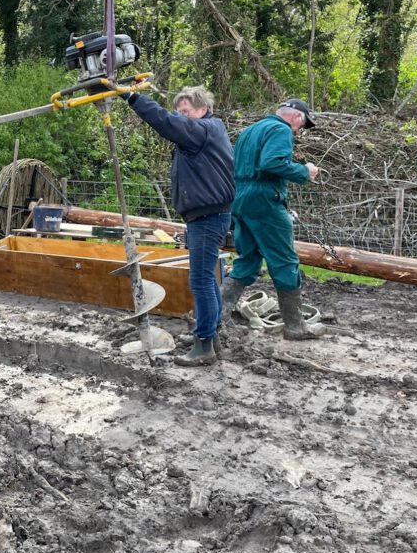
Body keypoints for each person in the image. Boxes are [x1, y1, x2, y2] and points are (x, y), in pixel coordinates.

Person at [121, 86, 234, 365]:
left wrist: (132, 96)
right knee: (206, 279)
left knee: (201, 280)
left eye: (186, 112)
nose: (181, 116)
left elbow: (165, 122)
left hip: (208, 218)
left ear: (202, 109)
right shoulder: (204, 134)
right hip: (205, 216)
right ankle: (210, 333)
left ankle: (204, 346)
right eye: (179, 111)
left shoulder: (203, 130)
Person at [219, 98, 323, 340]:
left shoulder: (249, 131)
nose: (298, 131)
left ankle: (216, 318)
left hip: (240, 198)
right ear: (296, 117)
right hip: (265, 200)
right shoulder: (280, 129)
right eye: (302, 125)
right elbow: (272, 163)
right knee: (284, 261)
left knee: (249, 259)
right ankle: (295, 327)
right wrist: (303, 172)